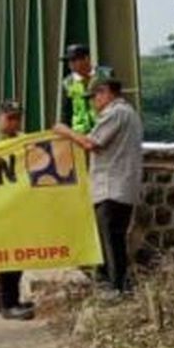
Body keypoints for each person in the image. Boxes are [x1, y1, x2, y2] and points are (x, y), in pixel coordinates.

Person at [54, 78, 144, 299]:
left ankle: (117, 287)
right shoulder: (129, 113)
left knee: (111, 240)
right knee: (114, 238)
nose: (93, 103)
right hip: (123, 186)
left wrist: (65, 132)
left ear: (105, 93)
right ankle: (112, 283)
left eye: (94, 97)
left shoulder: (115, 113)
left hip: (112, 187)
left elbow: (91, 143)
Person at [0, 100, 35, 321]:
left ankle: (5, 300)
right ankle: (8, 304)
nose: (14, 122)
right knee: (7, 256)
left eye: (17, 118)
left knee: (16, 255)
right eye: (9, 118)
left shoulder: (20, 140)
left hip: (15, 206)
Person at [60, 44, 111, 134]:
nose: (71, 64)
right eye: (69, 61)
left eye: (74, 60)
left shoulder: (105, 75)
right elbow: (66, 112)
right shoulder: (68, 82)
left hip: (104, 129)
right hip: (80, 133)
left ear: (86, 59)